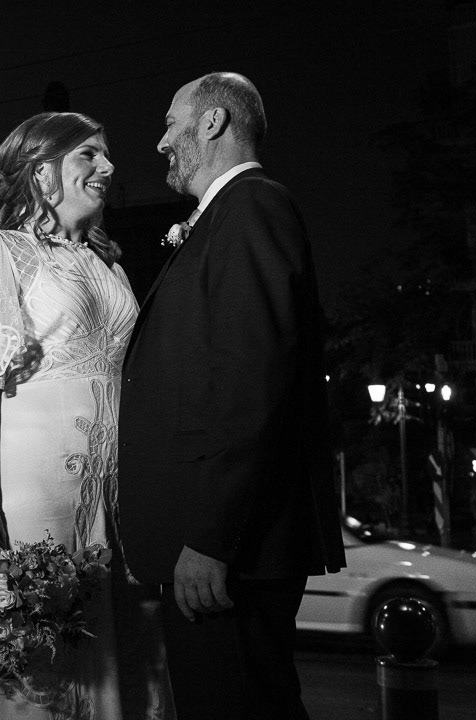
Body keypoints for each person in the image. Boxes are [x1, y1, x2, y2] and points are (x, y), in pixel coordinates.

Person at [118, 72, 347, 719]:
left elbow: (252, 383)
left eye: (171, 122)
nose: (161, 141)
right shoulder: (226, 217)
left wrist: (211, 539)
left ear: (213, 121)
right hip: (220, 548)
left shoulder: (251, 207)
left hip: (229, 553)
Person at [0, 112, 172, 719]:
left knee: (123, 653)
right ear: (42, 172)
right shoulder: (0, 251)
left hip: (116, 498)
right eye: (88, 154)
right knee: (40, 660)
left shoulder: (109, 265)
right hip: (36, 494)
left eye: (105, 154)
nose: (107, 167)